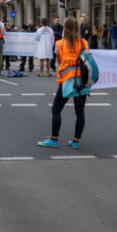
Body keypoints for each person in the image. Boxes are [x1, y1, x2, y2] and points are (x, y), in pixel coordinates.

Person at [38, 17, 89, 149]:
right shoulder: (83, 43)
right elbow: (86, 60)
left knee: (56, 110)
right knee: (80, 112)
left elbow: (60, 62)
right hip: (82, 81)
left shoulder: (60, 43)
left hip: (67, 80)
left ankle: (54, 139)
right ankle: (76, 141)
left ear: (64, 29)